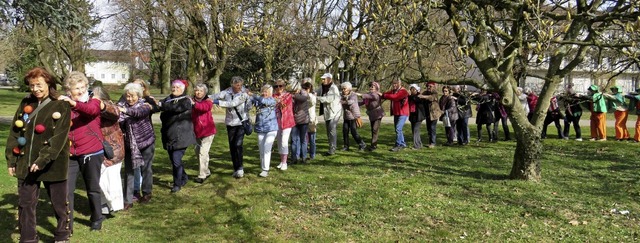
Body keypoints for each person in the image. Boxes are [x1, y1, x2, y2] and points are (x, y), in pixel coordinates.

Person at [6, 67, 71, 242]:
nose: (35, 89)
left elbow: (59, 137)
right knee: (25, 203)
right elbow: (15, 133)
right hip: (26, 161)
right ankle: (28, 238)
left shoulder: (61, 104)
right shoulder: (26, 103)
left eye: (39, 85)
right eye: (32, 85)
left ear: (48, 83)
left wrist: (43, 159)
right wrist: (12, 160)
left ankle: (62, 235)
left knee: (58, 204)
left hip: (53, 163)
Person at [58, 71, 105, 232]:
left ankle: (97, 218)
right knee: (66, 191)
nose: (80, 91)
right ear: (68, 91)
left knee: (92, 188)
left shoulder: (94, 102)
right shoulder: (64, 105)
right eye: (76, 88)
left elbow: (91, 111)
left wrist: (73, 104)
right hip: (70, 154)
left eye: (82, 87)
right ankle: (67, 225)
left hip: (91, 152)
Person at [117, 83, 156, 209]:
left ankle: (146, 193)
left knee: (146, 169)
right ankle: (127, 200)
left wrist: (125, 110)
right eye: (127, 96)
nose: (130, 99)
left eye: (132, 96)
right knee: (129, 171)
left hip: (146, 142)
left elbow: (137, 113)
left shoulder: (145, 106)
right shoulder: (121, 106)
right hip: (129, 144)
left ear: (138, 95)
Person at [91, 86, 125, 215]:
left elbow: (115, 113)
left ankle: (111, 205)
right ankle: (104, 206)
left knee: (110, 180)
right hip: (96, 148)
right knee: (99, 180)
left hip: (112, 148)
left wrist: (101, 106)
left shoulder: (111, 107)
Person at [159, 79, 197, 192]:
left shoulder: (186, 100)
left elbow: (175, 108)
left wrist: (162, 106)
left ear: (182, 89)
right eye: (173, 87)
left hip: (181, 137)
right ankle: (184, 177)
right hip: (169, 135)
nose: (175, 89)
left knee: (176, 160)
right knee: (174, 161)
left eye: (177, 88)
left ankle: (177, 184)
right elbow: (160, 107)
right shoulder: (168, 99)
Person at [214, 76, 251, 178]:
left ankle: (240, 168)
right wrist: (206, 98)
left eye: (240, 85)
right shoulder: (227, 92)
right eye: (237, 85)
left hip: (241, 122)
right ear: (232, 84)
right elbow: (216, 95)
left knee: (238, 145)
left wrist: (216, 102)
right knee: (232, 146)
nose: (239, 87)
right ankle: (236, 168)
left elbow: (232, 103)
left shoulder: (244, 94)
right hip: (230, 123)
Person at [191, 83, 217, 183]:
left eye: (201, 91)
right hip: (196, 132)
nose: (198, 92)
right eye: (197, 90)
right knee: (198, 153)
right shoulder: (190, 101)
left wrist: (194, 104)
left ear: (205, 92)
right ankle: (207, 171)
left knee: (203, 153)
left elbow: (204, 108)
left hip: (208, 131)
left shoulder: (208, 101)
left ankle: (202, 175)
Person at [252, 84, 278, 177]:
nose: (264, 93)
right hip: (260, 128)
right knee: (261, 149)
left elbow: (264, 101)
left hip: (271, 128)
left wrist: (253, 95)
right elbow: (251, 102)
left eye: (266, 92)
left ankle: (265, 169)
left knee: (267, 147)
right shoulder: (258, 100)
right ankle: (263, 167)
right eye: (263, 91)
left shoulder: (272, 100)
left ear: (270, 93)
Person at [316, 73, 342, 156]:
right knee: (328, 131)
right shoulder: (322, 87)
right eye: (322, 79)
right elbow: (316, 92)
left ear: (329, 79)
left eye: (324, 79)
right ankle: (331, 147)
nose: (323, 80)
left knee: (331, 130)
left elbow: (328, 99)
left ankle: (332, 149)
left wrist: (317, 98)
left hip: (334, 112)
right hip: (328, 113)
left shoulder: (333, 88)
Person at [273, 79, 295, 170]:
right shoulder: (273, 95)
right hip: (276, 122)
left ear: (284, 87)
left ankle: (285, 162)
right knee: (279, 142)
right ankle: (281, 161)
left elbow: (283, 104)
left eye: (280, 86)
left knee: (284, 141)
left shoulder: (288, 95)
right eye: (276, 86)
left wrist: (275, 100)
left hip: (287, 121)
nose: (278, 88)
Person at [382, 78, 410, 151]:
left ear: (399, 84)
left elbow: (395, 97)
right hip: (396, 113)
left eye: (396, 83)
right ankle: (403, 143)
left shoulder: (403, 91)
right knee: (397, 129)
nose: (394, 85)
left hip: (403, 113)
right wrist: (380, 94)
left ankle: (398, 144)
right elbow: (386, 94)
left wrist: (383, 95)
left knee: (398, 128)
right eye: (393, 83)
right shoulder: (393, 91)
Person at [356, 82, 385, 151]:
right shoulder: (368, 95)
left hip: (378, 114)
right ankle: (373, 143)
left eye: (373, 86)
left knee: (375, 129)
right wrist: (353, 103)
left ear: (376, 88)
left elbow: (372, 97)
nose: (371, 87)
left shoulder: (376, 94)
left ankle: (373, 145)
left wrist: (360, 94)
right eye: (370, 86)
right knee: (373, 129)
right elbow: (362, 102)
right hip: (372, 114)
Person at [340, 81, 366, 151]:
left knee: (353, 132)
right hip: (346, 116)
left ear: (349, 89)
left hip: (353, 116)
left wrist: (343, 101)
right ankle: (346, 146)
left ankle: (361, 143)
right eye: (342, 89)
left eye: (344, 89)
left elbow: (350, 102)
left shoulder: (353, 95)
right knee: (345, 131)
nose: (343, 90)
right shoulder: (341, 95)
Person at [290, 80, 310, 164]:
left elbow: (304, 98)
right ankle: (294, 158)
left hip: (303, 120)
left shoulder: (303, 93)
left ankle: (304, 157)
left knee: (303, 140)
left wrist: (294, 95)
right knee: (294, 140)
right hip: (294, 120)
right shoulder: (293, 95)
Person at [417, 82, 442, 148]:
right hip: (428, 114)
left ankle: (433, 143)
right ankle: (430, 142)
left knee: (432, 128)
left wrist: (423, 97)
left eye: (430, 86)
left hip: (434, 114)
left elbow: (431, 98)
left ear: (433, 86)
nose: (428, 87)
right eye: (427, 86)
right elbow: (420, 96)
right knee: (428, 128)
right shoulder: (425, 92)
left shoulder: (435, 93)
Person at [302, 80, 318, 159]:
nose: (305, 89)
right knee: (304, 139)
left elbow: (312, 102)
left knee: (312, 139)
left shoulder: (312, 96)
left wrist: (308, 94)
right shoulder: (302, 95)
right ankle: (304, 155)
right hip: (303, 119)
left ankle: (312, 154)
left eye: (306, 88)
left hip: (311, 120)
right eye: (304, 88)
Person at [407, 84, 426, 149]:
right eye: (411, 89)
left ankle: (417, 146)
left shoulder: (419, 96)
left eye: (413, 89)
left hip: (419, 116)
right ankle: (419, 143)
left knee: (416, 130)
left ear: (416, 89)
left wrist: (410, 95)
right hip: (412, 116)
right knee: (414, 130)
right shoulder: (410, 97)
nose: (412, 90)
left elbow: (416, 100)